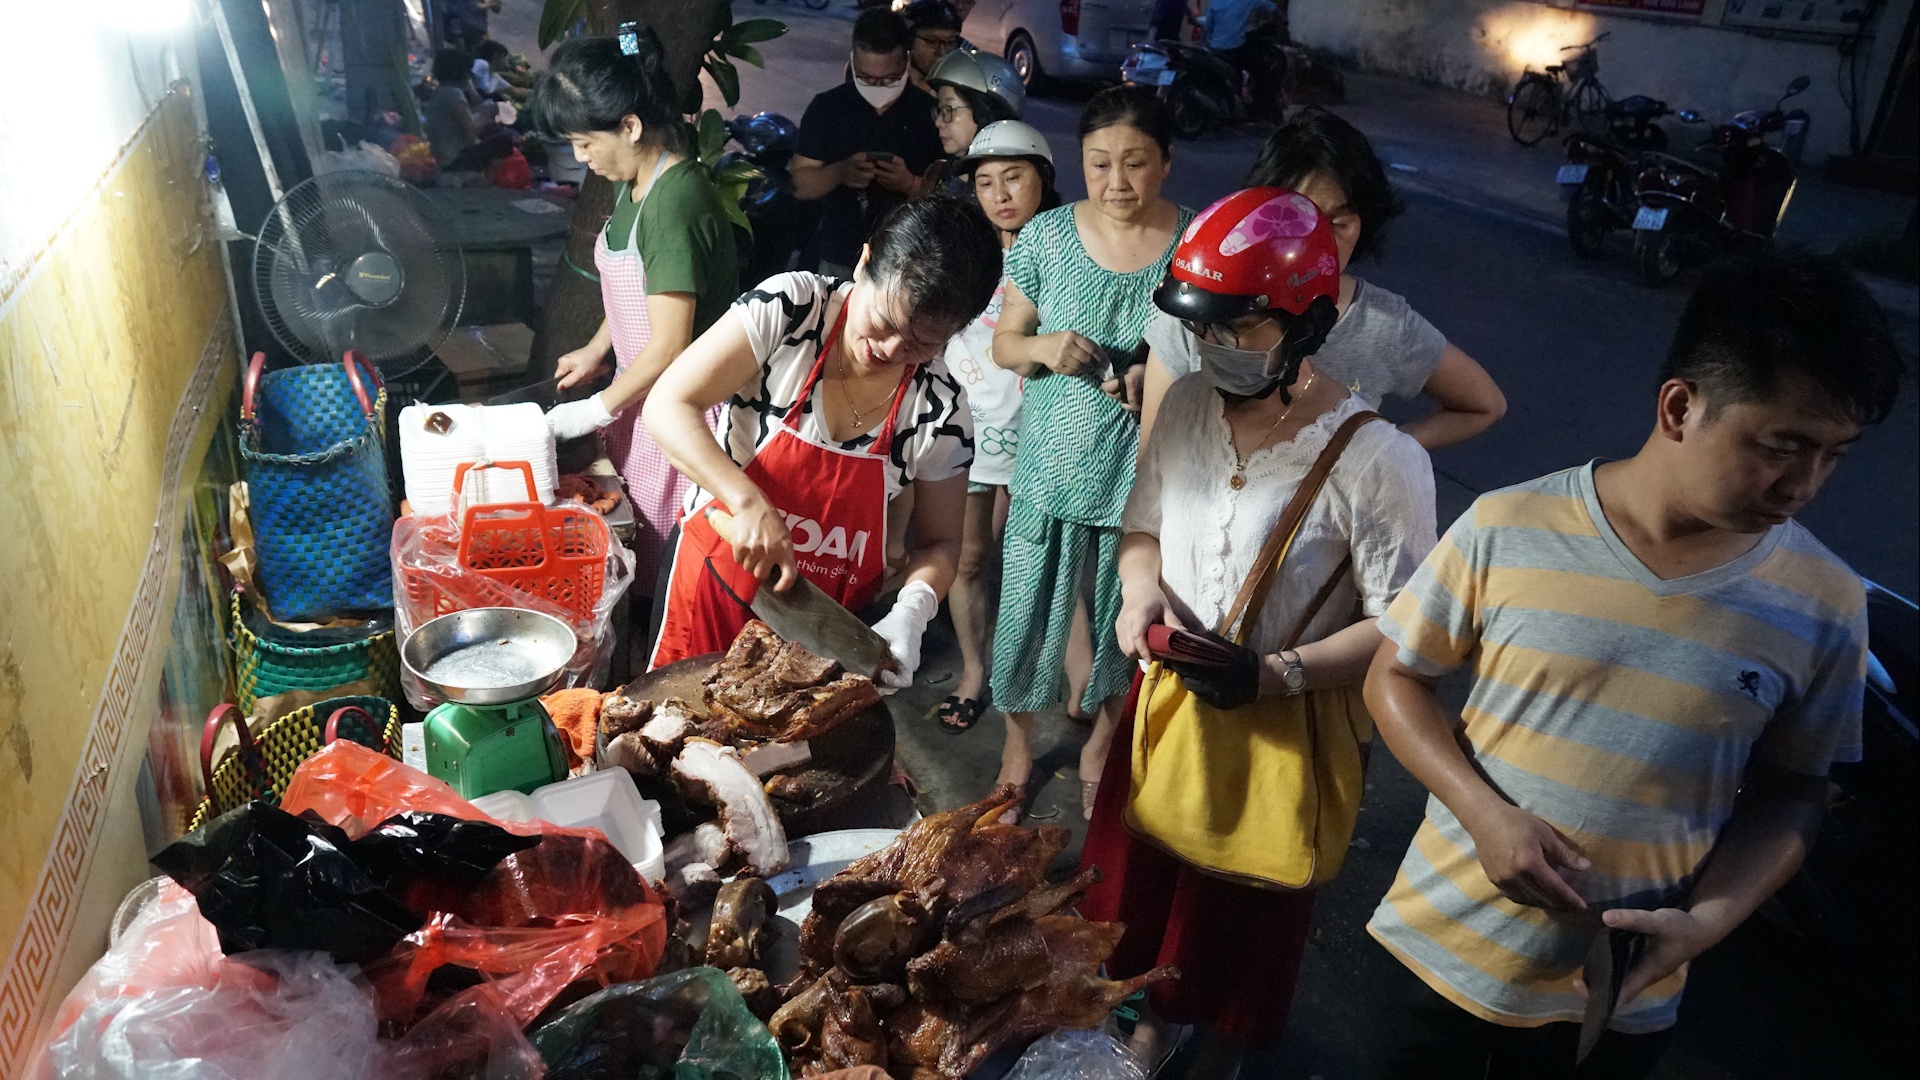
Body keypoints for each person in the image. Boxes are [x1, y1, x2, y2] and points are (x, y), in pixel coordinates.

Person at [1361, 249, 1903, 1080]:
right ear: (1680, 406)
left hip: (1617, 998)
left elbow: (1796, 794)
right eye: (1782, 446)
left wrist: (1710, 921)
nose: (1805, 483)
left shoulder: (1824, 602)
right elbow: (1396, 676)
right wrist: (1481, 811)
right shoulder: (1507, 526)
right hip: (1439, 956)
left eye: (1836, 455)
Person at [1079, 186, 1436, 1079]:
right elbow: (1144, 526)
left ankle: (1217, 1054)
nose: (1214, 349)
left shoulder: (1381, 459)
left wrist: (1277, 673)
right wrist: (1135, 599)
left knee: (1238, 924)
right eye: (1204, 329)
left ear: (1309, 323)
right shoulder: (1188, 406)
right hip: (1167, 703)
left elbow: (1406, 629)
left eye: (1241, 329)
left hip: (1279, 726)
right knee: (1137, 900)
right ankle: (1149, 1028)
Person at [642, 196, 1002, 687]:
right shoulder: (792, 310)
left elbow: (940, 543)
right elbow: (667, 405)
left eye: (922, 342)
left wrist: (914, 609)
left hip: (822, 630)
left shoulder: (940, 409)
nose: (892, 350)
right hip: (712, 587)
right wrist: (747, 501)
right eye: (886, 322)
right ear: (865, 262)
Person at [988, 86, 1193, 819]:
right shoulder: (1046, 237)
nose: (1116, 183)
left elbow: (1211, 357)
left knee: (1124, 624)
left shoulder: (1192, 247)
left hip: (1136, 477)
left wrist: (1157, 375)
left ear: (1166, 163)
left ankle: (1101, 748)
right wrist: (1041, 345)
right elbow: (1005, 341)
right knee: (1022, 619)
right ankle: (1017, 750)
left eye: (1136, 164)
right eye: (1099, 163)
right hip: (1047, 469)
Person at [1142, 107, 1506, 452]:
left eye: (1337, 224)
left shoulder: (1384, 325)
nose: (1319, 244)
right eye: (1298, 220)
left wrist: (1386, 451)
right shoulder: (1202, 307)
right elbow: (1154, 458)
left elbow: (1483, 405)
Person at [531, 32, 742, 611]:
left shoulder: (673, 202)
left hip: (681, 406)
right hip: (640, 393)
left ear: (629, 126)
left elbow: (670, 343)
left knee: (662, 571)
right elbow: (635, 289)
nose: (581, 158)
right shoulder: (636, 184)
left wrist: (594, 410)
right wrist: (598, 348)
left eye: (583, 142)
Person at [934, 121, 1061, 734]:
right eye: (985, 182)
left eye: (1014, 177)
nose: (1000, 194)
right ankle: (975, 672)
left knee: (1034, 560)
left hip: (1042, 432)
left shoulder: (1067, 251)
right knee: (969, 561)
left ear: (1045, 179)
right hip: (968, 429)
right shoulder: (964, 253)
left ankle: (1034, 674)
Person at [790, 8, 944, 278]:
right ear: (852, 60)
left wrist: (909, 184)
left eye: (889, 80)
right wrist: (841, 172)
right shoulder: (828, 107)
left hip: (907, 261)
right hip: (839, 255)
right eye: (866, 78)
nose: (877, 86)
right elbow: (800, 184)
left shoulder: (932, 114)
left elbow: (951, 200)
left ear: (906, 60)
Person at [918, 48, 1024, 199]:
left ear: (985, 113)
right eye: (940, 110)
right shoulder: (940, 176)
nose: (938, 122)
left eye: (949, 109)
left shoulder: (1015, 194)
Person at [423, 47, 515, 174]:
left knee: (492, 128)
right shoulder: (454, 94)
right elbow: (471, 133)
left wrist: (482, 110)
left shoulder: (440, 91)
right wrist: (488, 113)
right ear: (462, 73)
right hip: (453, 160)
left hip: (444, 155)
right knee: (504, 140)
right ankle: (486, 182)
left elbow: (460, 119)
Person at [901, 0, 964, 92]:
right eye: (932, 41)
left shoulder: (958, 91)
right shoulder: (886, 83)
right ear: (909, 41)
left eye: (950, 42)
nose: (942, 52)